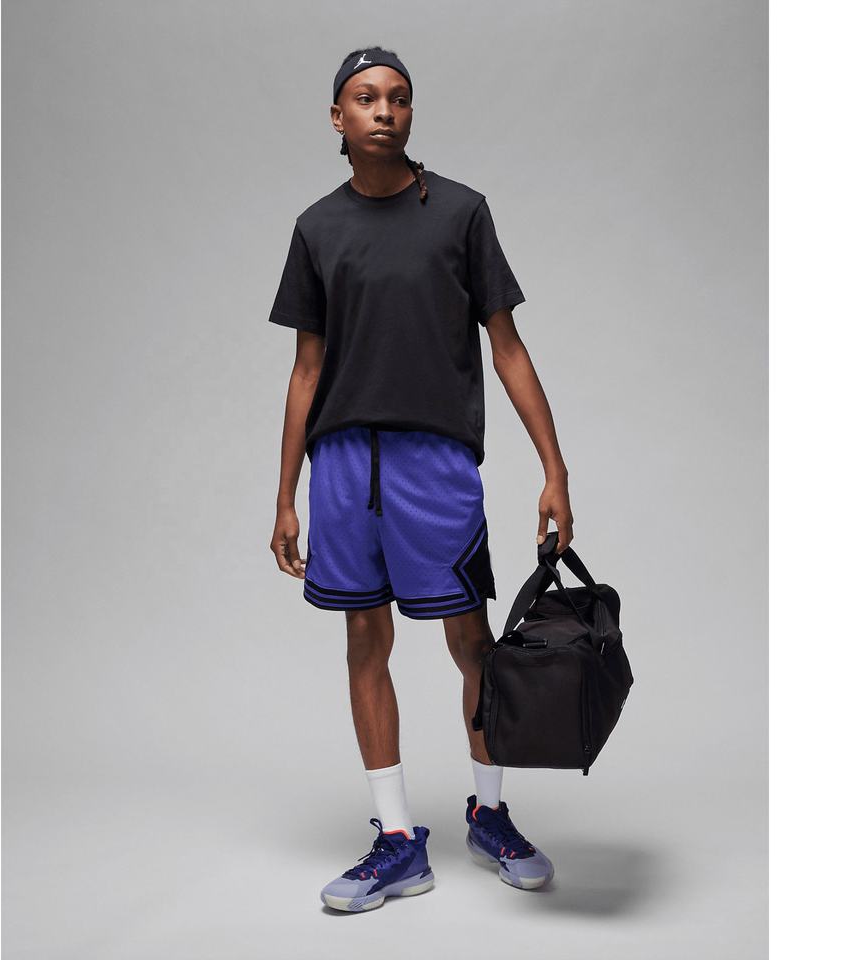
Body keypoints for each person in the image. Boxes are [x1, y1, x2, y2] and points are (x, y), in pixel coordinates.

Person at [268, 46, 574, 912]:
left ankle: (491, 811)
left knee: (471, 642)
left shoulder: (462, 213)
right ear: (338, 118)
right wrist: (284, 495)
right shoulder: (316, 228)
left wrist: (554, 469)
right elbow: (305, 369)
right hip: (341, 465)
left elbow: (506, 348)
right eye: (365, 98)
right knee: (365, 642)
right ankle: (398, 840)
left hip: (433, 464)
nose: (384, 110)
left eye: (398, 98)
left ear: (410, 113)